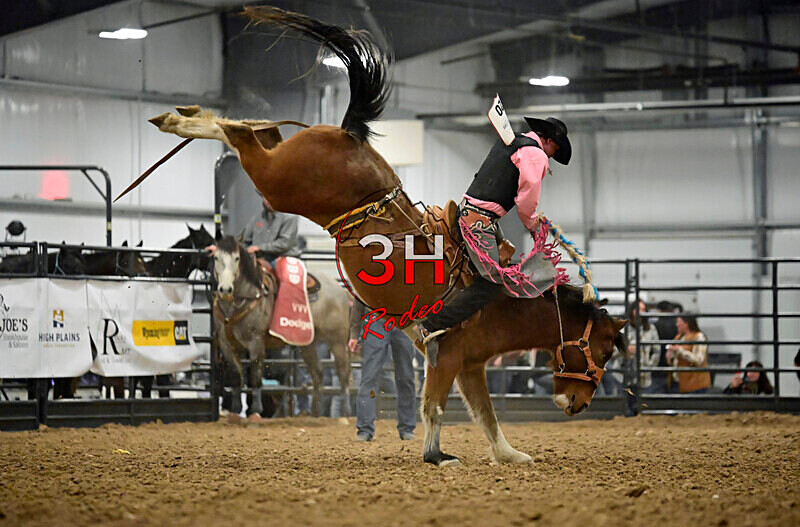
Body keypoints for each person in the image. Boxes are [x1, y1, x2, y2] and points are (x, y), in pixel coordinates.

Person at [419, 117, 572, 359]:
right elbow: (526, 201)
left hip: (471, 213)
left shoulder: (513, 142)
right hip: (480, 221)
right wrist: (535, 226)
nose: (553, 155)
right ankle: (432, 324)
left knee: (497, 267)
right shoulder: (536, 155)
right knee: (491, 284)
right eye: (556, 149)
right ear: (549, 141)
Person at [350, 300, 416, 442]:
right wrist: (354, 334)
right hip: (380, 318)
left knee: (405, 376)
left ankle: (406, 427)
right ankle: (366, 428)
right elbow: (359, 296)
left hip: (403, 318)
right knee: (370, 376)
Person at [666, 314, 711, 394]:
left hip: (695, 384)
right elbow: (675, 360)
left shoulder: (699, 337)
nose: (677, 325)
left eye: (679, 322)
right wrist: (670, 356)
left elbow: (698, 360)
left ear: (686, 323)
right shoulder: (678, 337)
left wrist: (680, 350)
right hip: (678, 382)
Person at [627, 299, 661, 393]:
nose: (640, 312)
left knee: (643, 401)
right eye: (638, 309)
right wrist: (625, 349)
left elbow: (657, 351)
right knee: (626, 401)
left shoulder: (651, 329)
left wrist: (649, 367)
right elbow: (612, 349)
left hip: (644, 377)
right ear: (632, 311)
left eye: (643, 309)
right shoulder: (623, 327)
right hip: (624, 376)